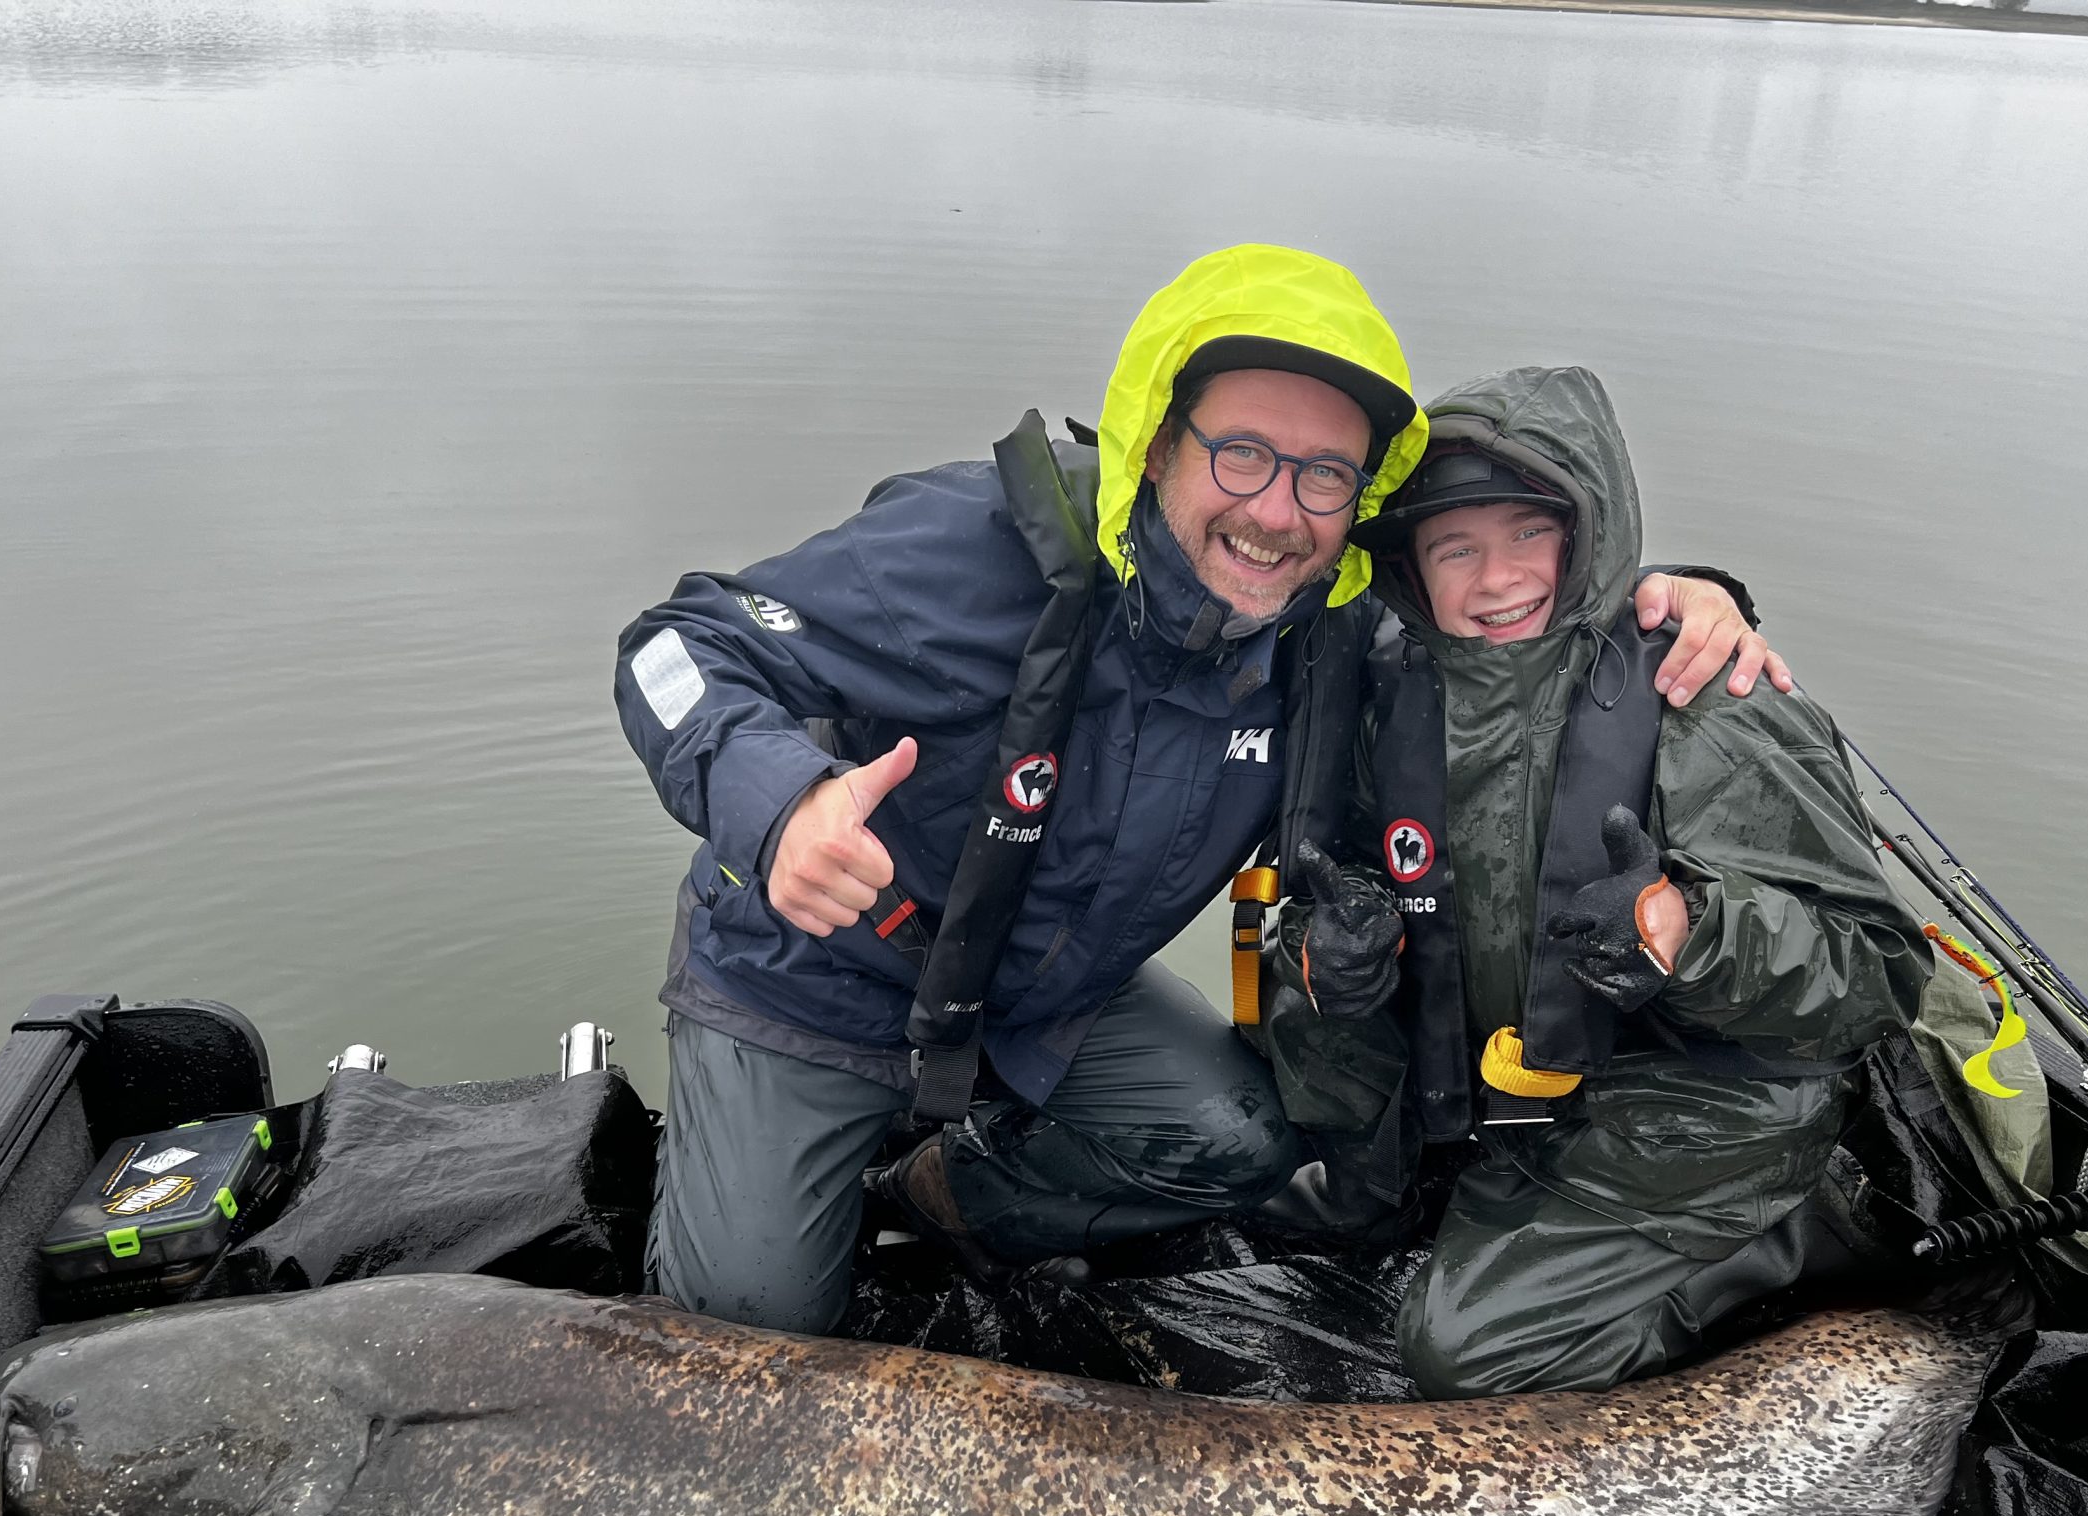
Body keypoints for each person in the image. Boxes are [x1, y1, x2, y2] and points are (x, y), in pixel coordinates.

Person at [616, 249, 1774, 1335]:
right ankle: (766, 1195)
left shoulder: (1332, 625)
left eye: (1325, 476)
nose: (1276, 514)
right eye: (1242, 455)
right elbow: (679, 643)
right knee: (750, 1325)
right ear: (1158, 441)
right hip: (811, 981)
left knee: (1245, 1142)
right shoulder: (971, 549)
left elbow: (1508, 609)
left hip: (1039, 1005)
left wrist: (1676, 597)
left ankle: (953, 1197)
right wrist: (777, 803)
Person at [1267, 364, 1929, 1398]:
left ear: (1589, 536)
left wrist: (1689, 930)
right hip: (1507, 1078)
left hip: (1692, 1098)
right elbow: (1332, 880)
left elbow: (1878, 976)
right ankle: (1417, 1193)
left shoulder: (1709, 696)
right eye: (1455, 548)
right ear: (1410, 568)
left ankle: (1790, 1241)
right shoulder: (1389, 695)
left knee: (1461, 1355)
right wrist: (1325, 946)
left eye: (1529, 535)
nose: (1496, 580)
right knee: (1301, 1018)